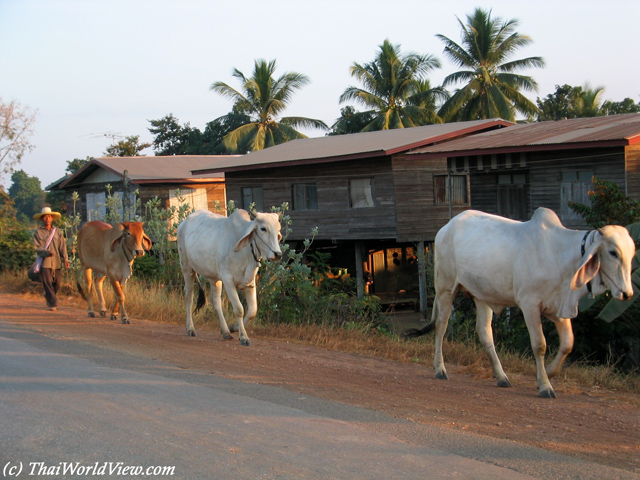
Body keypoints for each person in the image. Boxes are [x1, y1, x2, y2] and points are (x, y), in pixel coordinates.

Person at [32, 207, 69, 311]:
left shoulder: (57, 232)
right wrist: (46, 252)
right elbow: (36, 247)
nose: (47, 219)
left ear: (52, 218)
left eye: (49, 216)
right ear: (42, 219)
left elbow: (62, 246)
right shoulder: (38, 232)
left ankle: (49, 296)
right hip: (45, 262)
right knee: (47, 282)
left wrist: (65, 259)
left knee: (57, 284)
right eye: (45, 217)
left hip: (57, 262)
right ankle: (53, 303)